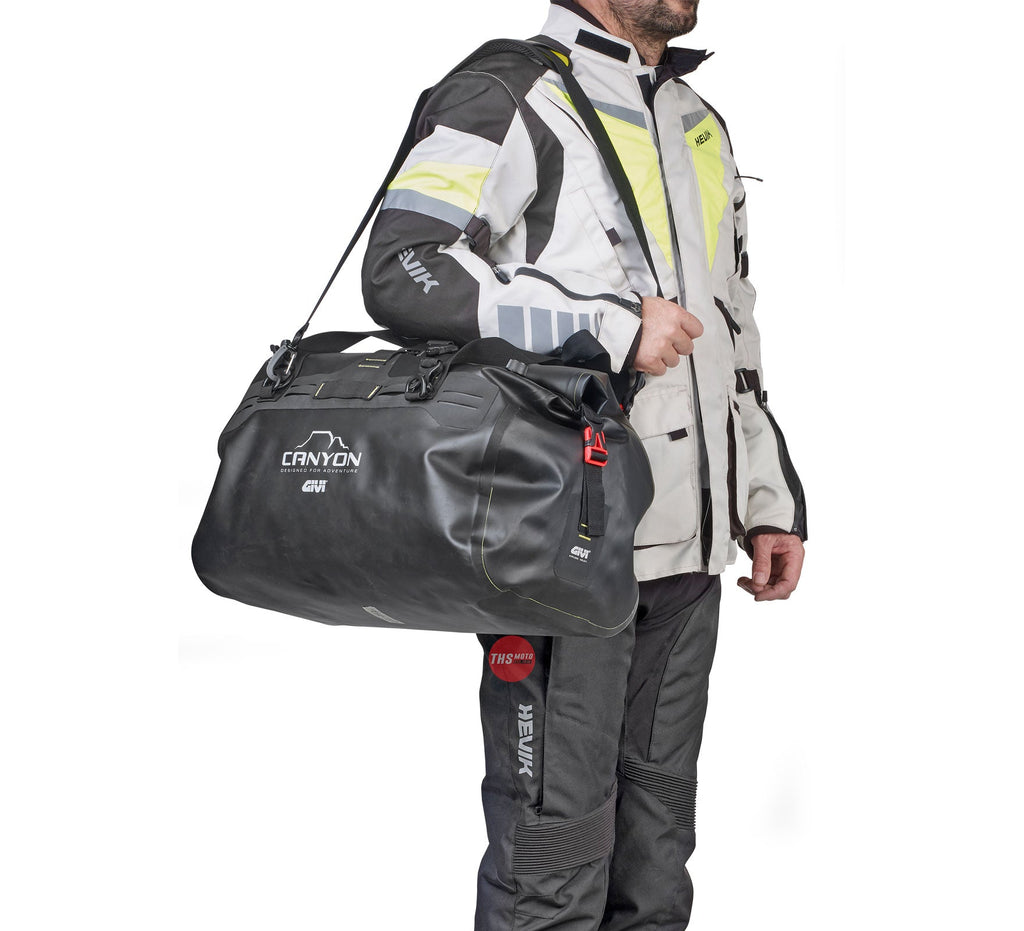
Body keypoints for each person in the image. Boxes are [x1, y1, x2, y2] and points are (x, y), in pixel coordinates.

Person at [361, 0, 807, 926]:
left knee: (656, 854)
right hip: (561, 549)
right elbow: (405, 267)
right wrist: (604, 326)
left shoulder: (697, 120)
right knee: (553, 856)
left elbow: (732, 320)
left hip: (689, 551)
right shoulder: (507, 89)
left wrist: (765, 495)